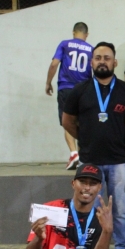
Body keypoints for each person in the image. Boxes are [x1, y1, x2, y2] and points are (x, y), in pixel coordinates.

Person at [62, 42, 125, 249]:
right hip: (89, 162)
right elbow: (67, 121)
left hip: (119, 161)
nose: (102, 61)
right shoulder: (79, 90)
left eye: (107, 58)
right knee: (89, 207)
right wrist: (85, 138)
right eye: (98, 58)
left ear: (114, 62)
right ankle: (91, 248)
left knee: (120, 209)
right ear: (91, 62)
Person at [45, 22, 93, 170]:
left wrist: (48, 82)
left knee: (67, 121)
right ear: (86, 34)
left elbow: (54, 64)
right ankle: (83, 154)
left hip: (66, 88)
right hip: (84, 89)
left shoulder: (65, 44)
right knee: (83, 123)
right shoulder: (91, 49)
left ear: (73, 32)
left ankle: (74, 153)